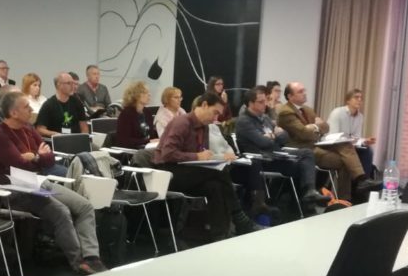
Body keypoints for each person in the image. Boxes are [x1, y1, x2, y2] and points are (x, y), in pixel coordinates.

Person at [0, 92, 106, 274]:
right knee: (62, 212)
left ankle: (91, 257)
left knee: (85, 207)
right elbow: (19, 164)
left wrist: (35, 157)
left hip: (39, 182)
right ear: (13, 113)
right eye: (26, 107)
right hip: (15, 189)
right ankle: (78, 261)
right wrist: (39, 157)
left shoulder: (28, 128)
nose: (31, 110)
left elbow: (50, 159)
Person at [153, 92, 261, 242]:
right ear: (204, 105)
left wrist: (216, 158)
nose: (216, 118)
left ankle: (220, 235)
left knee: (215, 186)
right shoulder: (182, 123)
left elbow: (201, 154)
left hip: (188, 171)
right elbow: (167, 154)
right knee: (219, 172)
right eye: (215, 112)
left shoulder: (204, 127)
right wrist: (196, 157)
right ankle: (239, 217)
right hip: (168, 172)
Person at [277, 82, 376, 201]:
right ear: (290, 96)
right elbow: (303, 133)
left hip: (315, 146)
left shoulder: (307, 109)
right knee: (345, 154)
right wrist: (316, 126)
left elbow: (326, 127)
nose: (305, 93)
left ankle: (348, 197)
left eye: (304, 90)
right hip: (300, 150)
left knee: (346, 154)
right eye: (300, 92)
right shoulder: (286, 111)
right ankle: (355, 186)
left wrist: (313, 127)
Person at [236, 86, 327, 210]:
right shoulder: (244, 121)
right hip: (262, 160)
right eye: (261, 102)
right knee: (303, 167)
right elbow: (263, 142)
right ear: (251, 103)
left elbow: (285, 137)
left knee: (307, 154)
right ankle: (301, 202)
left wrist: (272, 136)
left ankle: (309, 192)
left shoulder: (265, 118)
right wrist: (274, 135)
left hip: (276, 155)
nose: (265, 104)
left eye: (265, 101)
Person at [326, 88, 377, 177]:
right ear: (348, 101)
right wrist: (349, 141)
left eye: (361, 98)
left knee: (367, 150)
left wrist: (364, 141)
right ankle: (360, 178)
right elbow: (332, 136)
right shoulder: (337, 112)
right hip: (334, 145)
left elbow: (356, 138)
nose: (359, 100)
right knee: (347, 147)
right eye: (356, 97)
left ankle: (365, 180)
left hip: (348, 145)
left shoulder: (360, 117)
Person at [36, 72, 90, 137]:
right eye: (69, 83)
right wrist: (54, 134)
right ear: (59, 85)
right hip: (57, 140)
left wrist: (84, 138)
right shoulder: (48, 105)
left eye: (73, 83)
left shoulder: (77, 102)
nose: (73, 86)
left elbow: (84, 127)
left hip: (75, 139)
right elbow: (40, 129)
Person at [114, 81, 158, 149]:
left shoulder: (147, 112)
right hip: (132, 150)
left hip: (147, 148)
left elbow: (151, 135)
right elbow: (124, 141)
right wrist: (147, 141)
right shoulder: (126, 114)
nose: (149, 95)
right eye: (145, 92)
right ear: (136, 95)